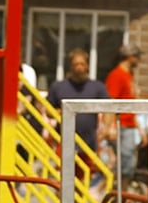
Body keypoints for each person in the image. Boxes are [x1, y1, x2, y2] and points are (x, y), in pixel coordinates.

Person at [46, 48, 111, 192]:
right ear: (70, 65)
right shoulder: (58, 87)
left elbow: (108, 109)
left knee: (83, 178)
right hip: (64, 140)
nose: (79, 67)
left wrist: (106, 128)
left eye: (82, 64)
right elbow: (48, 111)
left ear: (87, 65)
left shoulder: (97, 87)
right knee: (63, 176)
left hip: (88, 142)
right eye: (76, 64)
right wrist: (61, 112)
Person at [104, 44, 146, 181]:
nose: (139, 60)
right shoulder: (117, 75)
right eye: (137, 57)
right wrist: (109, 127)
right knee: (124, 163)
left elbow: (131, 105)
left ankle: (123, 196)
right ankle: (104, 190)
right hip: (120, 125)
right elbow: (110, 103)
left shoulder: (128, 76)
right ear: (130, 57)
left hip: (128, 125)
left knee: (126, 163)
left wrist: (140, 129)